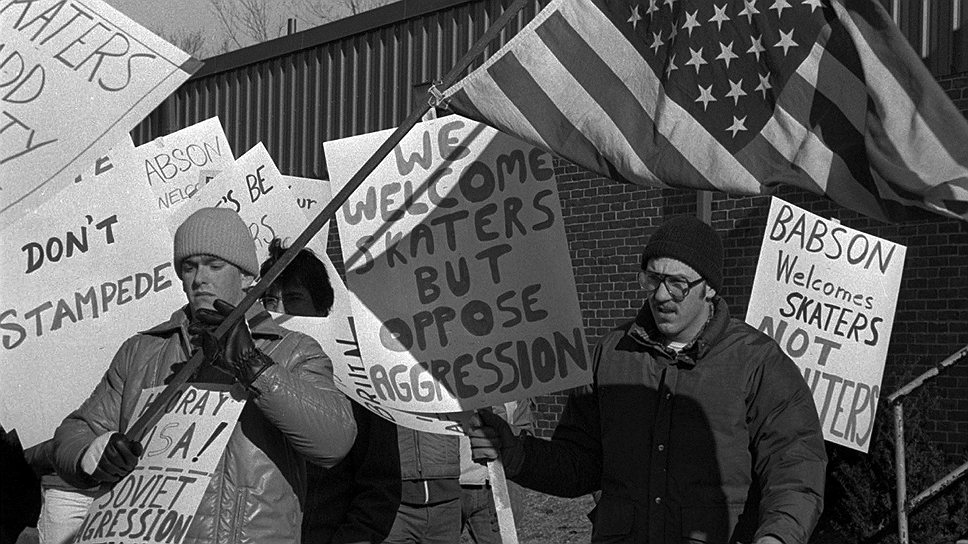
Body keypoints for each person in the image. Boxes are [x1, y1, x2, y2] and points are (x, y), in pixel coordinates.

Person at [466, 215, 827, 544]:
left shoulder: (757, 361)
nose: (660, 295)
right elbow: (579, 462)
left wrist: (779, 536)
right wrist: (516, 455)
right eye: (652, 279)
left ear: (710, 288)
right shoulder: (611, 354)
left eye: (678, 284)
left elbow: (795, 465)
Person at [52, 207, 357, 544]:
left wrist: (254, 367)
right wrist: (92, 454)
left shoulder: (293, 350)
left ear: (245, 276)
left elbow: (335, 439)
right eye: (189, 267)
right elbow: (76, 431)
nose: (199, 279)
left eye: (215, 265)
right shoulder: (142, 351)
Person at [260, 239, 401, 544]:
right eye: (270, 302)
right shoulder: (248, 374)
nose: (280, 312)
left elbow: (379, 488)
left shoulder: (356, 382)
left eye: (294, 299)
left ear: (322, 307)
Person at [458, 400, 535, 544]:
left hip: (497, 486)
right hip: (448, 487)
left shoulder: (513, 382)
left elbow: (524, 432)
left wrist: (512, 490)